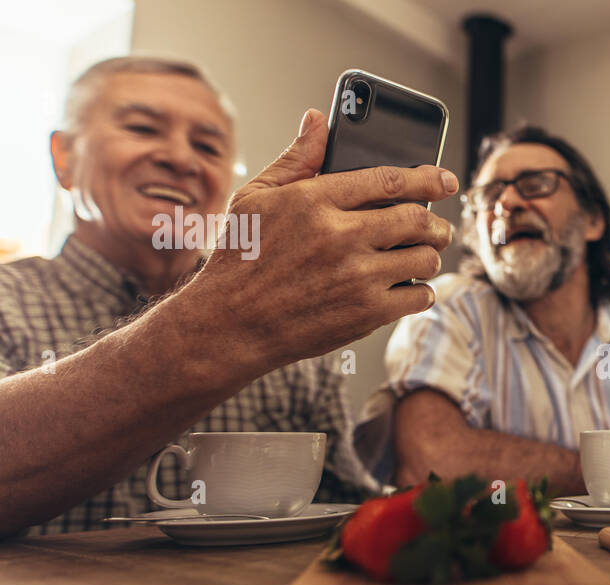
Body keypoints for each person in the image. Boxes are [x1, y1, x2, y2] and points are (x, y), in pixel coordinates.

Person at [0, 56, 458, 536]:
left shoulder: (301, 337)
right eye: (141, 127)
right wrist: (229, 320)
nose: (181, 159)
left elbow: (340, 506)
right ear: (64, 158)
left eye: (207, 145)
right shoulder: (9, 303)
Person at [358, 125, 610, 494]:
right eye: (488, 196)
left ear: (592, 221)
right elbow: (431, 463)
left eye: (535, 185)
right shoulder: (447, 309)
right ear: (475, 237)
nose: (507, 202)